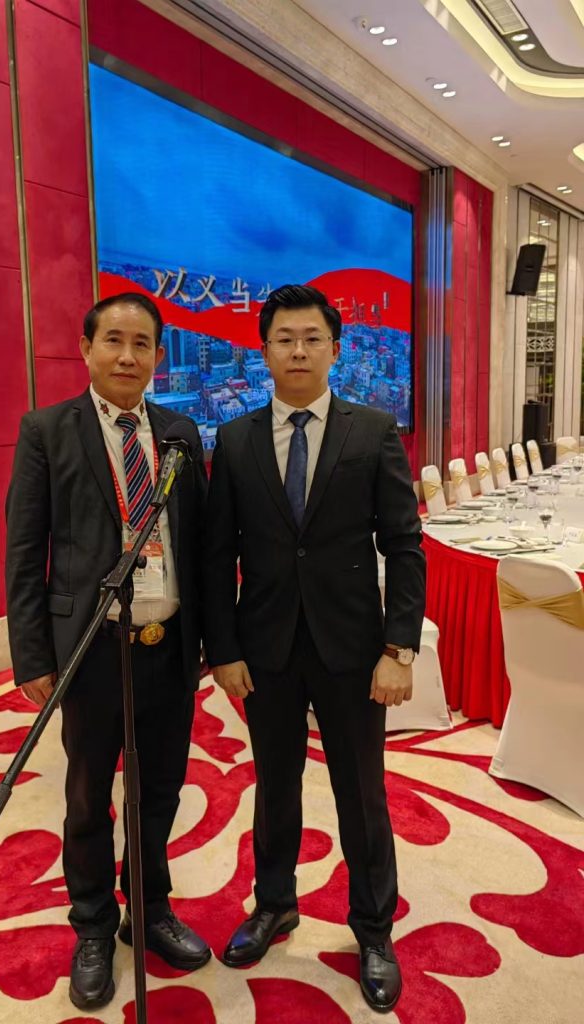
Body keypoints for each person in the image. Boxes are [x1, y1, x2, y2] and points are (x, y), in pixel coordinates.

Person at [203, 284, 425, 1013]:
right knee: (276, 785)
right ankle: (275, 904)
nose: (298, 351)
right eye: (284, 339)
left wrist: (398, 648)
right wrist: (223, 648)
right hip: (264, 647)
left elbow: (404, 546)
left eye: (311, 339)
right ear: (264, 350)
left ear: (335, 349)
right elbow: (218, 555)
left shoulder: (373, 430)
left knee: (362, 792)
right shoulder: (235, 440)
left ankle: (373, 929)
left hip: (354, 648)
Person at [5, 292, 210, 1011]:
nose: (128, 356)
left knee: (160, 790)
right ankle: (92, 926)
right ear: (87, 348)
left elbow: (199, 545)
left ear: (157, 356)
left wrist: (209, 640)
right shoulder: (47, 431)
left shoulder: (180, 432)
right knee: (90, 796)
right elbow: (24, 551)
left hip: (168, 643)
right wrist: (33, 655)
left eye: (142, 344)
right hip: (91, 649)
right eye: (114, 341)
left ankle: (148, 911)